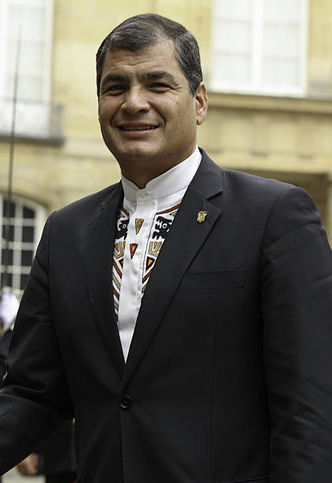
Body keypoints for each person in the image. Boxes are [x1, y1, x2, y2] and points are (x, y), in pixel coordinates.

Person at [0, 13, 332, 483]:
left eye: (157, 84)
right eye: (115, 87)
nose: (134, 103)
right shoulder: (65, 231)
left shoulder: (274, 216)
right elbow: (35, 392)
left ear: (198, 102)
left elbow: (310, 409)